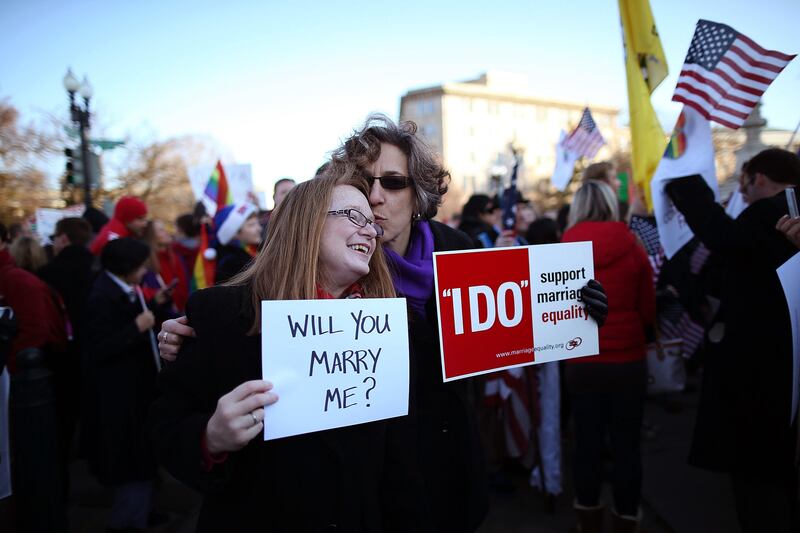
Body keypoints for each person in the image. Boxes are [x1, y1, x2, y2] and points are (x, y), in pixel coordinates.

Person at [158, 114, 609, 532]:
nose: (374, 198)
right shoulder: (280, 295)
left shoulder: (462, 252)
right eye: (360, 186)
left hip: (440, 459)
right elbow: (186, 410)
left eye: (392, 183)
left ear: (419, 195)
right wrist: (197, 350)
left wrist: (573, 309)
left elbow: (500, 341)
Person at [149, 171, 426, 532]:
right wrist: (210, 438)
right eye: (354, 217)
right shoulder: (220, 313)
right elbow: (163, 426)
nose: (370, 232)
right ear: (306, 223)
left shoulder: (387, 325)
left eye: (372, 223)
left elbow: (399, 461)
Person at [665, 148, 800, 533]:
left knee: (760, 485)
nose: (742, 194)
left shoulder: (773, 210)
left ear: (757, 179)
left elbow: (724, 237)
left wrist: (682, 179)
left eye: (743, 185)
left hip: (765, 375)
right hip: (779, 370)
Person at [561, 181, 655, 533]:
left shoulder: (564, 247)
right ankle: (626, 520)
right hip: (628, 361)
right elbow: (648, 306)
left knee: (586, 443)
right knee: (626, 446)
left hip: (582, 363)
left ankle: (588, 518)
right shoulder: (633, 244)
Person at [82, 237, 171, 533]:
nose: (145, 269)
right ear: (125, 266)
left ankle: (146, 511)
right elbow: (98, 347)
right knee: (131, 458)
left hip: (137, 388)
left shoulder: (124, 290)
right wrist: (136, 327)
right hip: (120, 395)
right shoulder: (100, 296)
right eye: (140, 264)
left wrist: (154, 306)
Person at [212, 202, 262, 285]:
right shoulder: (231, 263)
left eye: (257, 223)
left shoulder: (252, 251)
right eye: (251, 225)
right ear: (235, 233)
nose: (259, 228)